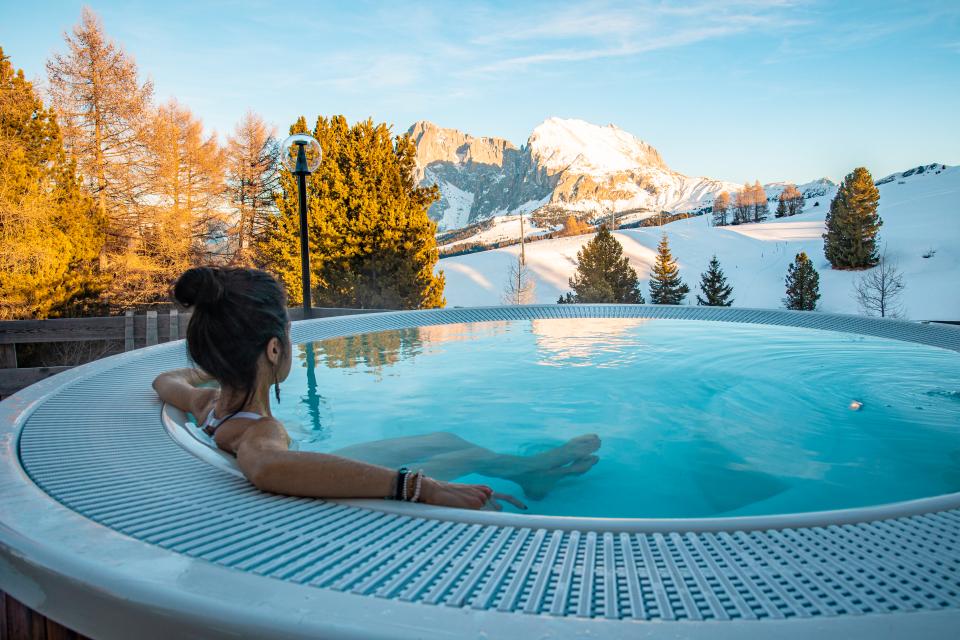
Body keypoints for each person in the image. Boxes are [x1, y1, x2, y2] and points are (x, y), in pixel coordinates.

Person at [153, 266, 600, 511]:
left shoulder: (207, 403)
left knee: (443, 441)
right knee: (455, 457)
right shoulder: (258, 434)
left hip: (291, 437)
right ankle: (533, 470)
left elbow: (164, 380)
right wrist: (416, 487)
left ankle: (531, 473)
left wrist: (215, 365)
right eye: (288, 333)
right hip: (318, 473)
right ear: (274, 349)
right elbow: (267, 469)